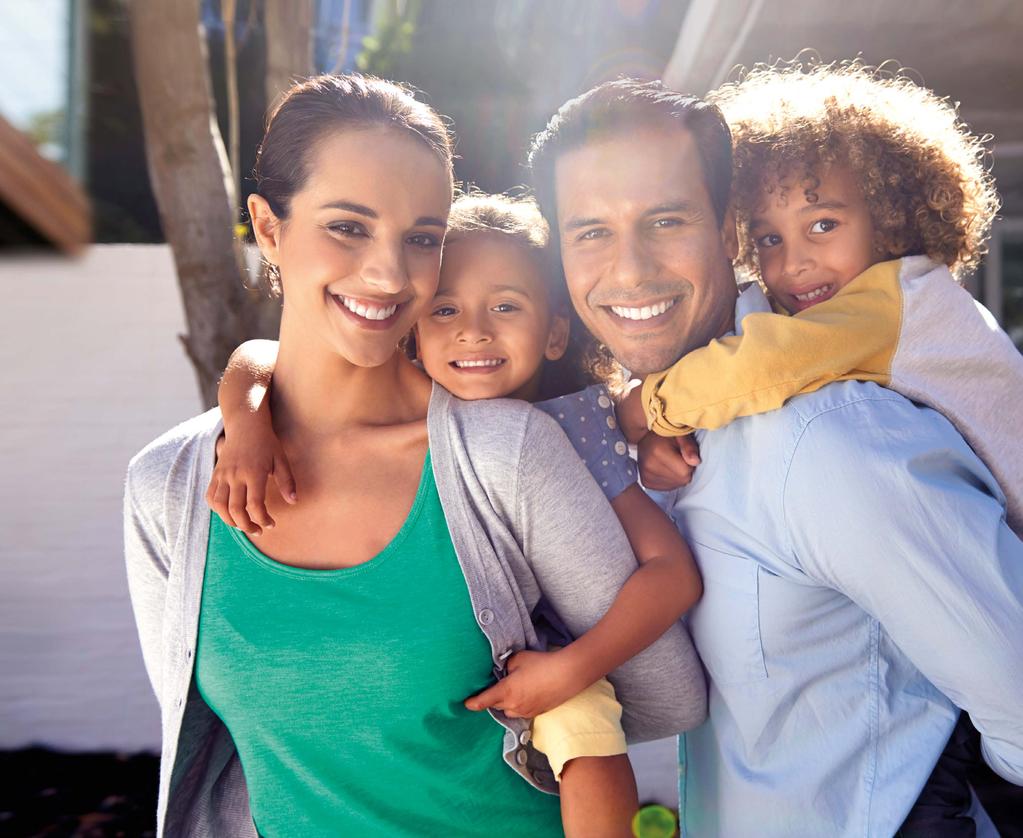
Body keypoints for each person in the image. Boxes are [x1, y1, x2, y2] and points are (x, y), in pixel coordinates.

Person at [123, 74, 704, 838]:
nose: (390, 275)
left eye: (422, 238)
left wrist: (562, 682)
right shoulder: (168, 486)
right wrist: (245, 405)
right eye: (347, 227)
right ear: (267, 227)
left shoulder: (506, 451)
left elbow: (665, 691)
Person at [528, 76, 1023, 836]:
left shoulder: (829, 436)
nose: (627, 270)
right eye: (589, 230)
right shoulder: (622, 437)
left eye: (665, 219)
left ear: (725, 227)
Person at [620, 62, 1023, 540]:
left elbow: (766, 362)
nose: (794, 264)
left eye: (823, 225)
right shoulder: (885, 303)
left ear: (889, 216)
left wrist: (647, 407)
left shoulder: (897, 302)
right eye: (769, 239)